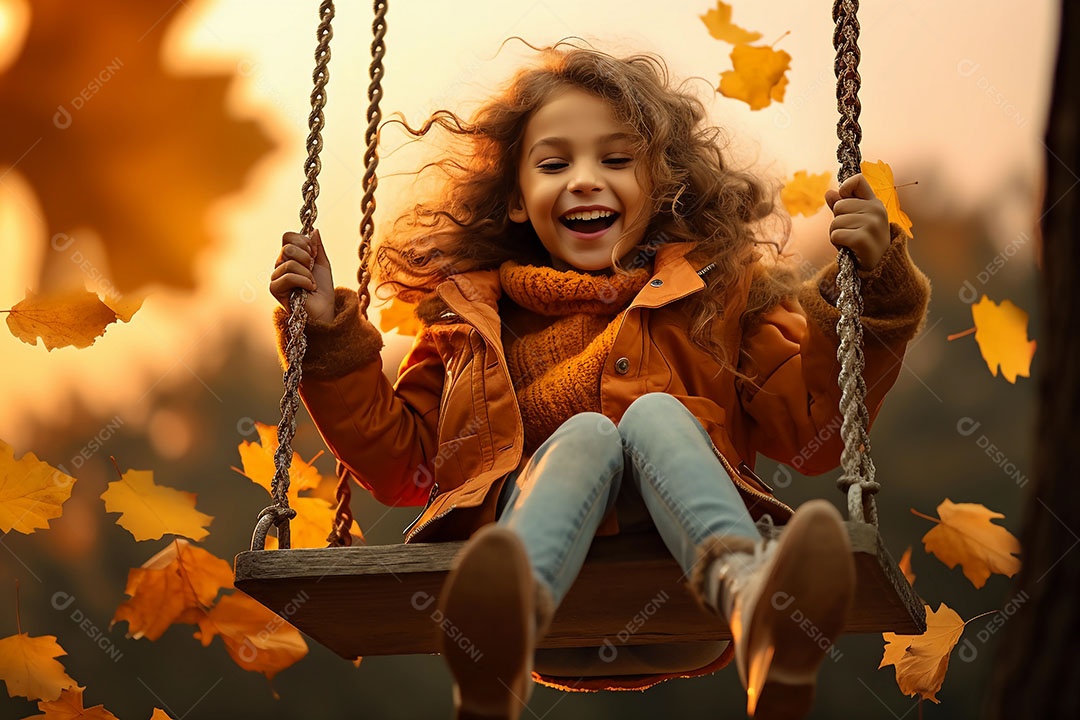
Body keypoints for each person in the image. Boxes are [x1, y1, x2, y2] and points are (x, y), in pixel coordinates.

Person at [270, 45, 930, 720]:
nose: (586, 180)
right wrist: (328, 336)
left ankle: (758, 608)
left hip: (681, 581)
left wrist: (872, 290)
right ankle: (501, 628)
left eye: (615, 160)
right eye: (555, 164)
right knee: (588, 434)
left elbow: (812, 431)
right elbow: (404, 462)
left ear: (660, 183)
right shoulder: (469, 321)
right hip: (540, 588)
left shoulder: (716, 298)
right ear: (519, 201)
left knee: (651, 417)